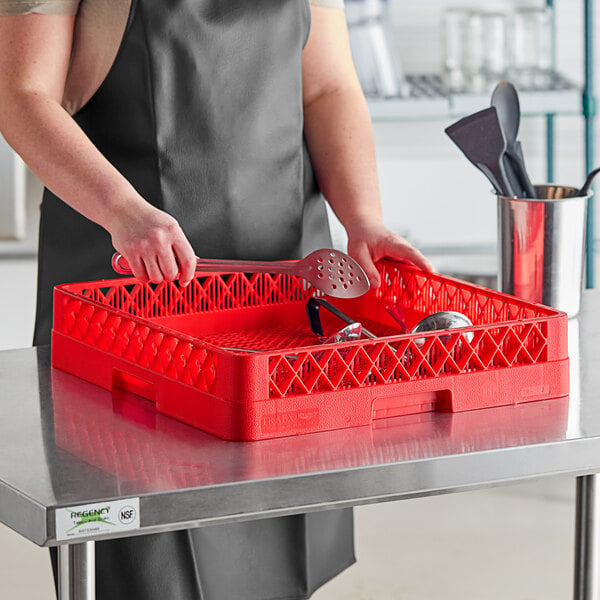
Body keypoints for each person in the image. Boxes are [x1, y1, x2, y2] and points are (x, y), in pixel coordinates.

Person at [0, 0, 432, 598]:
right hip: (132, 286)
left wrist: (363, 219)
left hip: (286, 294)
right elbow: (23, 96)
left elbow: (327, 88)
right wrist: (124, 212)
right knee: (144, 549)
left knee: (277, 535)